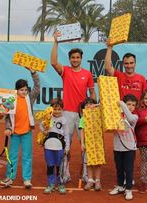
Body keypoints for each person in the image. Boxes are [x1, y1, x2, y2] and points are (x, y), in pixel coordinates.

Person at [51, 31, 96, 181]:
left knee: (86, 145)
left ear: (81, 59)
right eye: (73, 57)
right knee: (65, 145)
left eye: (77, 57)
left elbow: (92, 93)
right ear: (69, 59)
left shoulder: (87, 74)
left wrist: (93, 109)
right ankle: (65, 174)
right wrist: (56, 42)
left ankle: (85, 174)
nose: (75, 60)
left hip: (83, 114)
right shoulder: (65, 71)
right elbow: (53, 62)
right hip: (67, 114)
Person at [4, 69, 40, 188]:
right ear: (16, 90)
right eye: (21, 90)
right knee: (12, 157)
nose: (24, 92)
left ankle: (27, 179)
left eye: (25, 89)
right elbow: (7, 116)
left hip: (26, 133)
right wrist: (8, 128)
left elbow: (37, 87)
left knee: (27, 157)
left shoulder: (29, 98)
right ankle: (10, 177)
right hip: (14, 134)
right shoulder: (11, 99)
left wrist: (33, 73)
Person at [109, 94, 138, 200]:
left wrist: (122, 104)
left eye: (133, 105)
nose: (130, 107)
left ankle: (129, 189)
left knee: (128, 169)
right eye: (128, 104)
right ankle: (120, 186)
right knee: (119, 169)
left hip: (130, 148)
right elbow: (107, 107)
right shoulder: (116, 117)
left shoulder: (134, 117)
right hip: (117, 147)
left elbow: (129, 117)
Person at [41, 98, 70, 194]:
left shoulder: (64, 120)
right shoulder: (47, 118)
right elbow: (41, 126)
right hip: (48, 146)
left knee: (59, 166)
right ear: (51, 109)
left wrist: (67, 147)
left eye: (59, 109)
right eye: (55, 109)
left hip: (59, 147)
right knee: (50, 165)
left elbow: (66, 134)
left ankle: (60, 183)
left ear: (62, 109)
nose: (57, 111)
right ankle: (51, 184)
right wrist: (44, 130)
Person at [79, 98, 105, 191]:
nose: (89, 106)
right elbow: (82, 131)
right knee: (89, 163)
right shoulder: (83, 118)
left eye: (91, 104)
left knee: (97, 163)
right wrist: (82, 143)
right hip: (88, 143)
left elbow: (104, 105)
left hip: (98, 143)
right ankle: (90, 180)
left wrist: (96, 105)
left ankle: (97, 181)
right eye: (86, 105)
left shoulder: (99, 115)